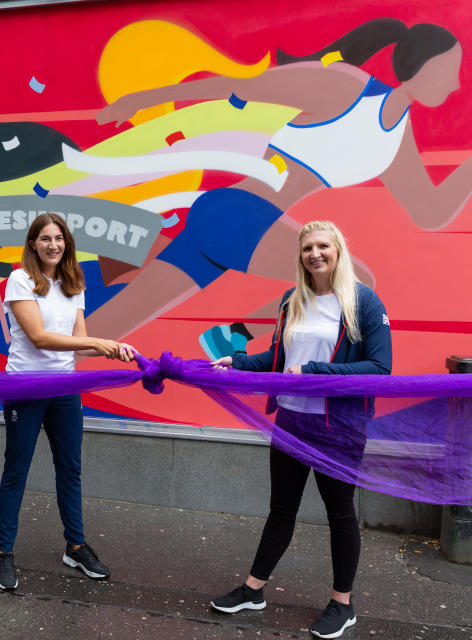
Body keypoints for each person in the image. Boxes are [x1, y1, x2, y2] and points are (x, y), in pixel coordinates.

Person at [90, 19, 471, 354]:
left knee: (99, 334)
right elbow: (243, 87)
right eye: (448, 70)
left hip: (236, 226)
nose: (455, 83)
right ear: (423, 65)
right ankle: (232, 336)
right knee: (354, 279)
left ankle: (39, 379)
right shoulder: (347, 87)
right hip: (240, 214)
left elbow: (430, 211)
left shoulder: (397, 136)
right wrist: (143, 99)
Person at [208, 221, 392, 639]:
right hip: (291, 420)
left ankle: (342, 604)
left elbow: (380, 368)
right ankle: (254, 590)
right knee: (281, 509)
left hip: (339, 426)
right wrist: (237, 362)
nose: (315, 254)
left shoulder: (363, 301)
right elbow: (279, 357)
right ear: (300, 255)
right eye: (308, 247)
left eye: (323, 245)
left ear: (338, 249)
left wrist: (313, 372)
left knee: (340, 513)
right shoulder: (294, 299)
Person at [0, 213, 134, 592]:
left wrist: (112, 350)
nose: (53, 245)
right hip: (26, 386)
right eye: (45, 239)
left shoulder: (74, 283)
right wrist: (97, 343)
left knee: (70, 470)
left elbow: (80, 344)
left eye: (58, 238)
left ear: (66, 243)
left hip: (65, 390)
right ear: (33, 244)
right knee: (16, 470)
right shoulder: (20, 280)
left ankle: (75, 547)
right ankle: (4, 553)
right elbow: (40, 338)